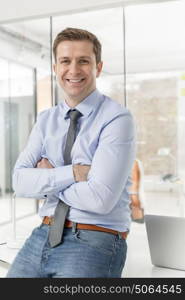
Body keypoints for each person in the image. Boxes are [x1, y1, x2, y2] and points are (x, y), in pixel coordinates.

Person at [6, 27, 136, 278]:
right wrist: (74, 173)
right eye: (65, 61)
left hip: (95, 238)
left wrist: (49, 177)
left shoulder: (117, 119)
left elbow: (100, 199)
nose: (74, 70)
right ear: (55, 68)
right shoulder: (46, 120)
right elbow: (19, 182)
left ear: (98, 67)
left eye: (83, 61)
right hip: (43, 232)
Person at [129, 159, 145, 223]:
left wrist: (134, 194)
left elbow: (135, 180)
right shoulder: (134, 162)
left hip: (133, 194)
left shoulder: (134, 162)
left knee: (137, 220)